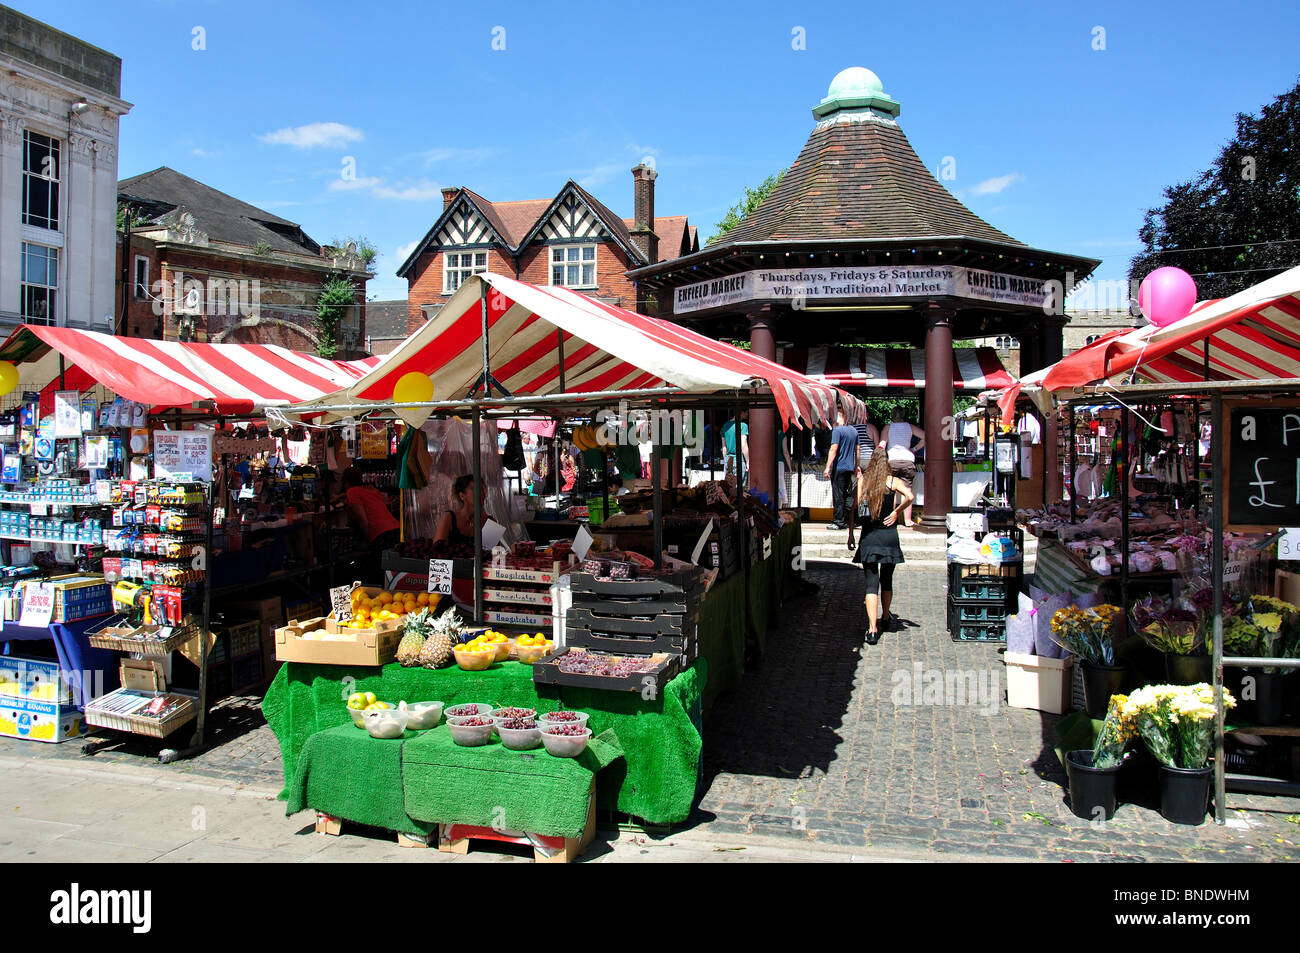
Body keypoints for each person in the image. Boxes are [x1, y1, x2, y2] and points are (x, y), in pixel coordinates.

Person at [853, 449, 914, 645]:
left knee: (871, 584)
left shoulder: (865, 481)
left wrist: (849, 533)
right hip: (889, 537)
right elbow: (910, 496)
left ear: (871, 463)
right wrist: (897, 512)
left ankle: (872, 629)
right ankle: (886, 617)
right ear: (887, 463)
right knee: (887, 580)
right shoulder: (893, 481)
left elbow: (855, 506)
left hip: (869, 537)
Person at [884, 406, 925, 527]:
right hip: (908, 459)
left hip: (892, 459)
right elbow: (925, 437)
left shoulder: (888, 427)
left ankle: (890, 518)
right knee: (907, 491)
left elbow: (882, 443)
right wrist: (914, 449)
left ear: (892, 415)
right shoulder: (910, 427)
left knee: (891, 490)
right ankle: (907, 520)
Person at [343, 466, 400, 551]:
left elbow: (363, 520)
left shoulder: (352, 492)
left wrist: (367, 540)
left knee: (378, 563)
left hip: (380, 534)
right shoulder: (372, 489)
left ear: (346, 482)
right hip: (396, 529)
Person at [823, 407, 858, 530]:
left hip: (839, 466)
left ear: (836, 420)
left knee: (838, 495)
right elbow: (857, 450)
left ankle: (839, 521)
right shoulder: (854, 431)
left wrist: (827, 467)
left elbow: (834, 449)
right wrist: (856, 465)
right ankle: (853, 516)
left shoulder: (837, 431)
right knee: (845, 493)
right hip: (849, 466)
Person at [434, 475, 488, 547]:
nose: (481, 493)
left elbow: (494, 556)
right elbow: (436, 552)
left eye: (482, 489)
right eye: (474, 489)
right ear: (462, 496)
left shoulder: (490, 522)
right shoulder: (448, 519)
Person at [721, 411, 749, 480]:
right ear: (742, 412)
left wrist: (725, 461)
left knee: (729, 486)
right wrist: (748, 461)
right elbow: (743, 445)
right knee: (739, 487)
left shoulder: (725, 426)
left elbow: (724, 447)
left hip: (729, 459)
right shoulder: (743, 425)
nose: (748, 414)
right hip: (739, 460)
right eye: (747, 412)